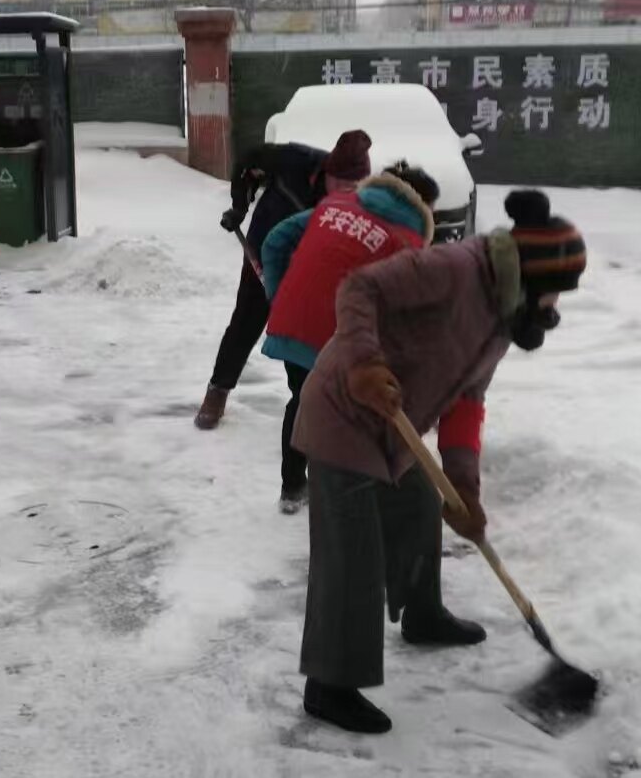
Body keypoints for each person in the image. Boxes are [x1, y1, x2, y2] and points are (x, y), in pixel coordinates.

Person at [294, 189, 587, 735]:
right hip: (345, 408)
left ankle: (423, 616)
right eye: (552, 297)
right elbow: (360, 287)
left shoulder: (500, 321)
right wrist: (363, 363)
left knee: (421, 509)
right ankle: (329, 685)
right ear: (529, 280)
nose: (553, 311)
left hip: (394, 422)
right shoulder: (455, 268)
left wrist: (465, 489)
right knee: (352, 556)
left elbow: (467, 404)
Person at [259, 161, 441, 514]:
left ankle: (293, 488)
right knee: (345, 419)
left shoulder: (334, 205)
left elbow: (274, 240)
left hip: (294, 322)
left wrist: (278, 295)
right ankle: (345, 502)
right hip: (337, 339)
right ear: (421, 206)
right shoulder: (408, 241)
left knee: (302, 401)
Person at [194, 130, 374, 430]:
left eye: (353, 187)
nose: (346, 192)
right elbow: (247, 162)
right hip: (263, 250)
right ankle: (218, 390)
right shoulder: (292, 160)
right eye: (341, 184)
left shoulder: (358, 200)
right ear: (328, 171)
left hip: (308, 266)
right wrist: (240, 204)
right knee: (247, 321)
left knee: (314, 331)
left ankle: (315, 405)